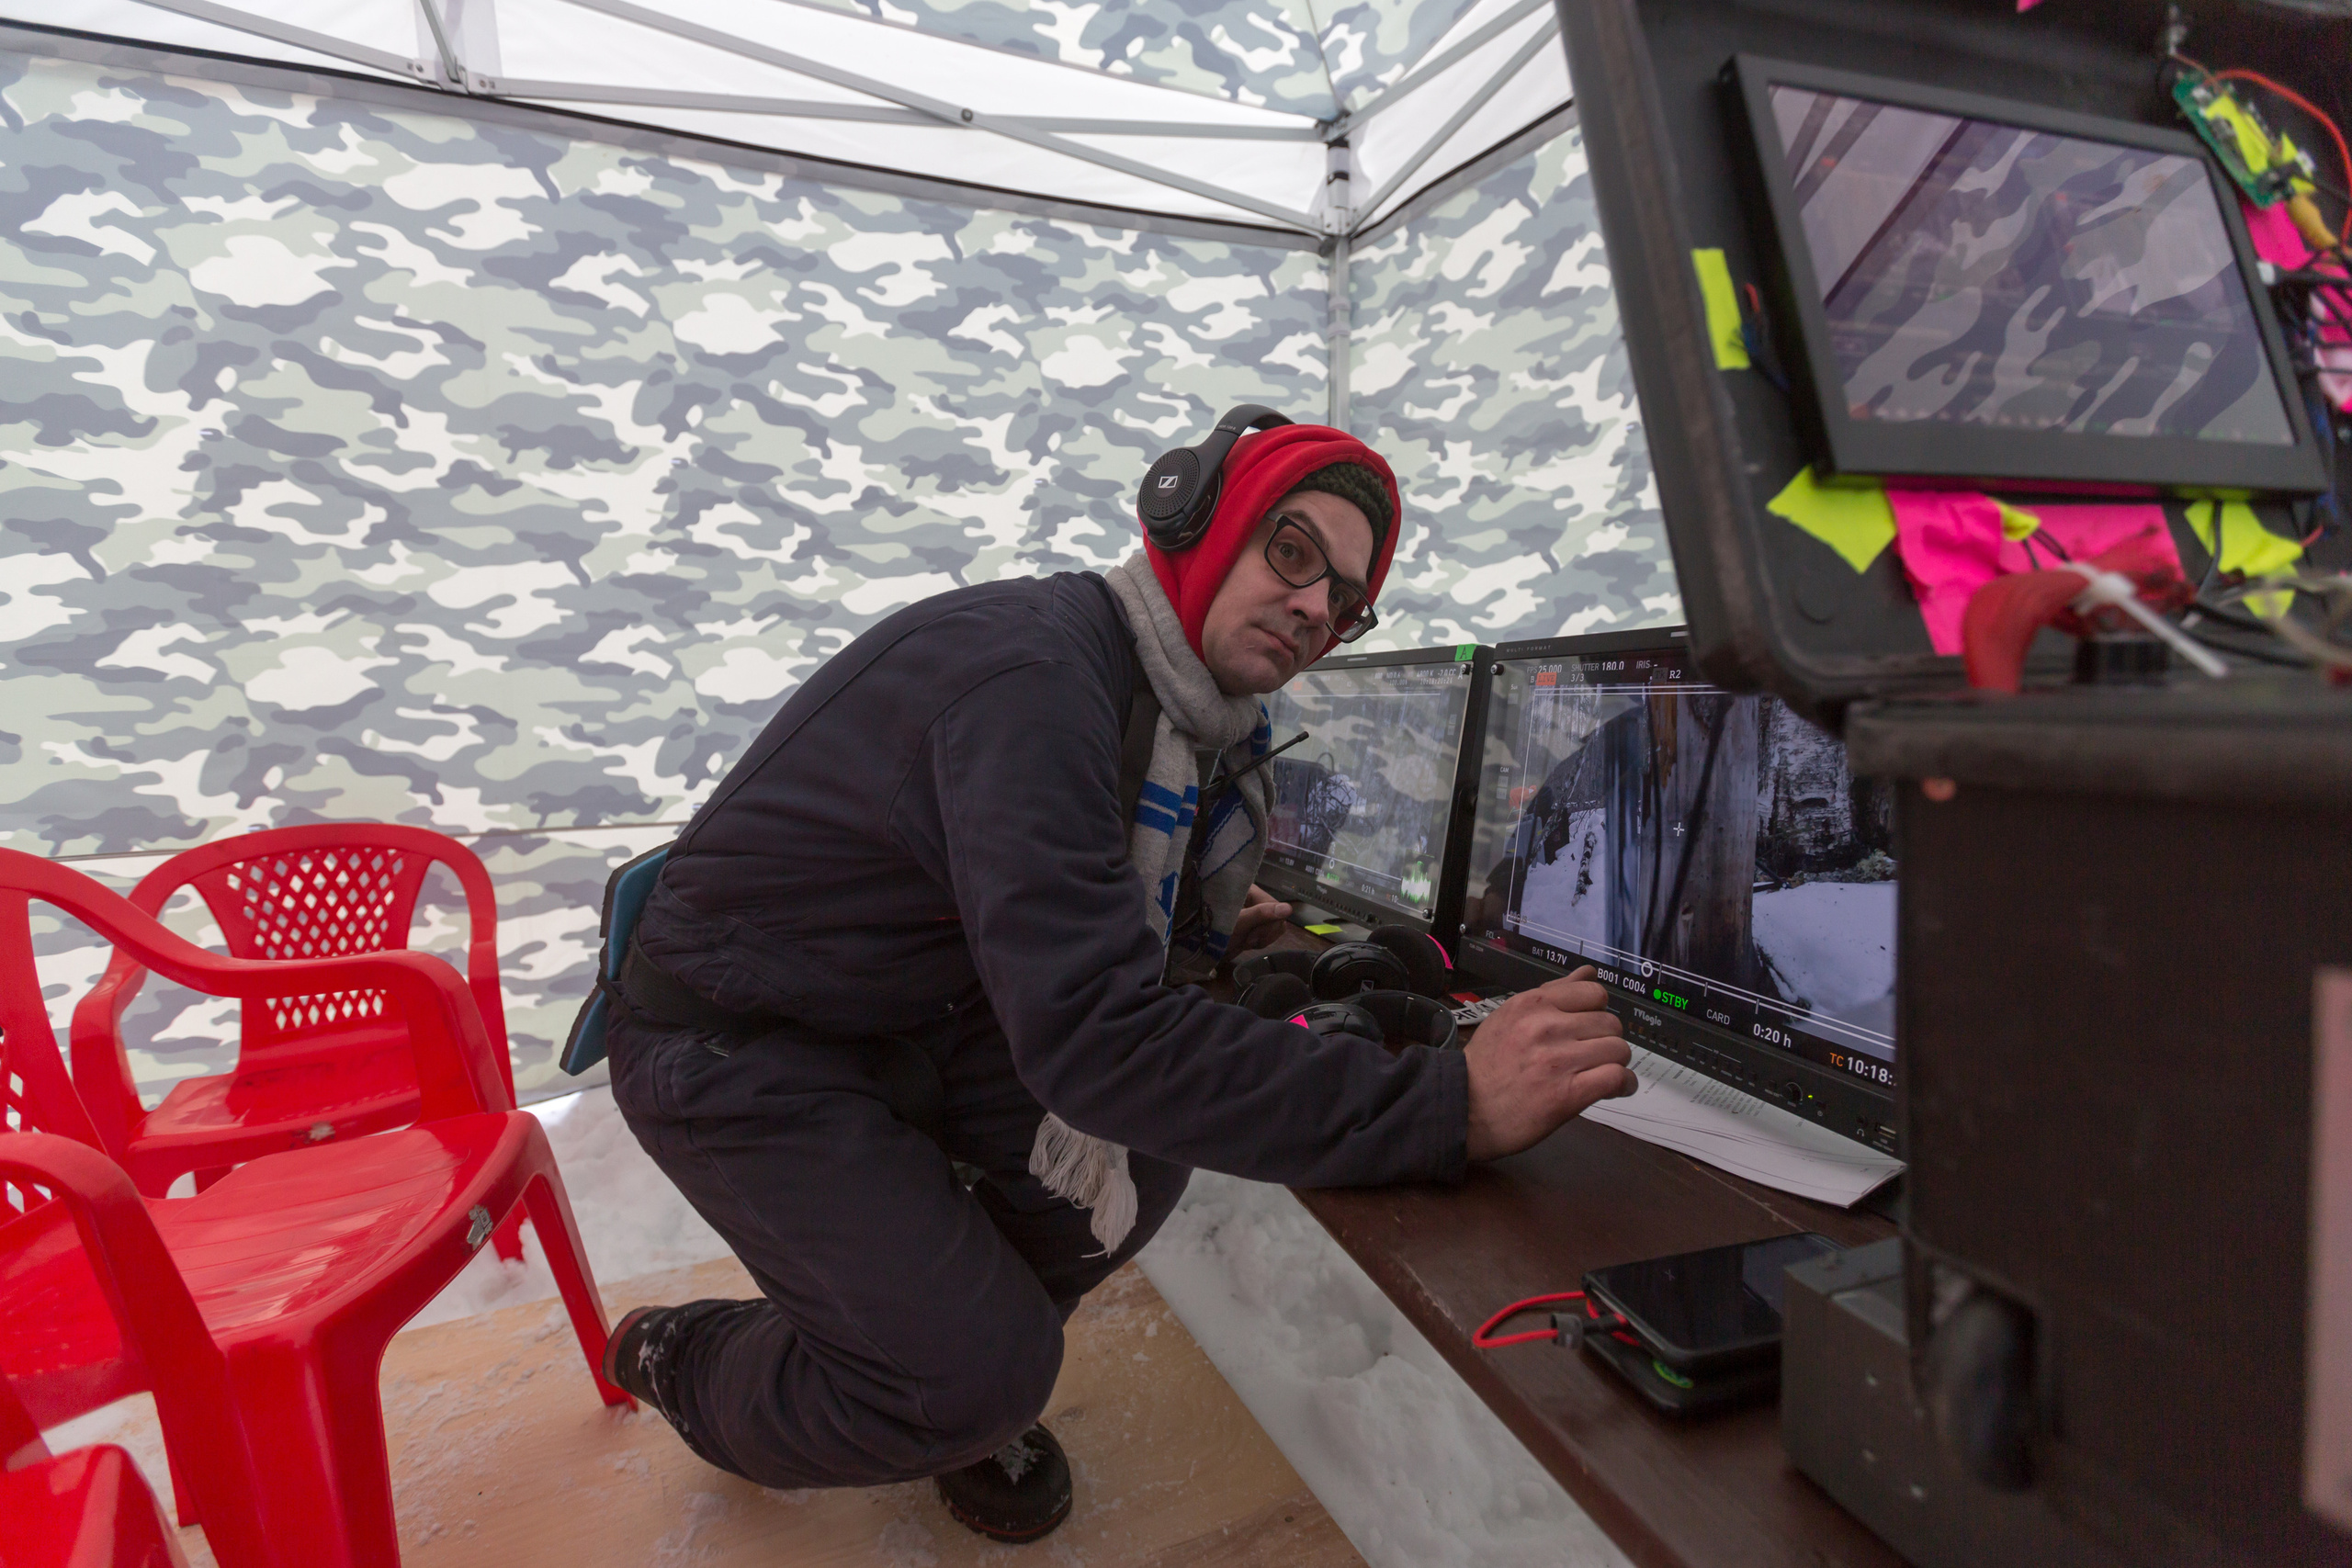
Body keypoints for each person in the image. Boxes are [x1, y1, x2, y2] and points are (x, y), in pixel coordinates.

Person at [598, 415, 1636, 1542]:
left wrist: (1200, 925)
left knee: (1135, 1159)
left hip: (894, 1008)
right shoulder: (1033, 680)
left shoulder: (1169, 708)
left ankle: (919, 1354)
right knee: (975, 1370)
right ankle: (700, 1360)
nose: (1313, 610)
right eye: (1293, 553)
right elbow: (1097, 1046)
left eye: (1343, 602)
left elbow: (1063, 913)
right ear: (1197, 521)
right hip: (735, 1046)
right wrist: (1452, 1106)